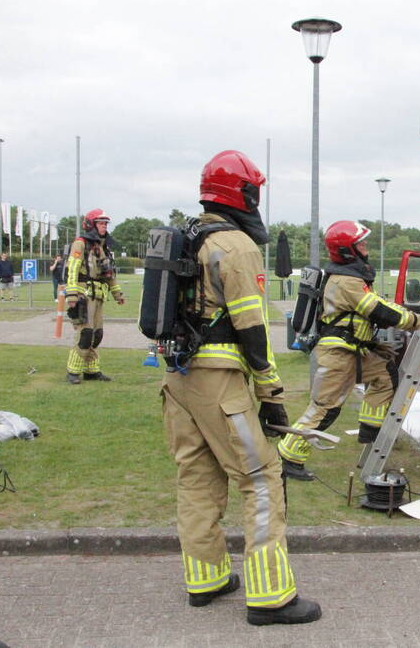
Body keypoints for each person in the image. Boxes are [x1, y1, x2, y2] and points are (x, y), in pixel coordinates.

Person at [160, 150, 321, 624]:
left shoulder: (189, 238)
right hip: (220, 383)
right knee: (261, 478)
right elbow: (252, 328)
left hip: (177, 378)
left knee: (196, 476)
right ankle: (271, 597)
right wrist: (272, 396)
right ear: (244, 193)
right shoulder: (234, 244)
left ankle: (205, 580)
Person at [278, 220, 420, 481]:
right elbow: (378, 310)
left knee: (385, 375)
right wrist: (419, 320)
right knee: (324, 409)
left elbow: (377, 304)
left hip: (352, 352)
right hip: (337, 355)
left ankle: (370, 429)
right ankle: (288, 456)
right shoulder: (347, 282)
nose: (366, 247)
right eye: (362, 244)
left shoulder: (354, 277)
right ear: (348, 251)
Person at [64, 209, 125, 384]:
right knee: (85, 333)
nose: (104, 226)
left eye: (105, 223)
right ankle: (73, 371)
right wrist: (72, 294)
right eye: (100, 223)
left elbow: (109, 274)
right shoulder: (80, 244)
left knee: (97, 334)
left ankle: (91, 370)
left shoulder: (103, 247)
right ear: (91, 224)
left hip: (99, 295)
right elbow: (72, 269)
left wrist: (117, 293)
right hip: (83, 294)